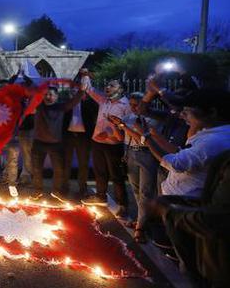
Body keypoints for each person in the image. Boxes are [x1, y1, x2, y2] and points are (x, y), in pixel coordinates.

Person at [154, 151, 230, 287]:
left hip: (221, 263)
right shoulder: (224, 155)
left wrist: (170, 212)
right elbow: (212, 203)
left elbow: (216, 219)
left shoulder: (214, 144)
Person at [108, 92, 159, 243]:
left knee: (146, 191)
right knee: (136, 190)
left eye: (136, 104)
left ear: (145, 104)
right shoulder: (129, 118)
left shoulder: (153, 120)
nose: (133, 108)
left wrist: (123, 126)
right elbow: (121, 137)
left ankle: (141, 228)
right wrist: (116, 125)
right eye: (131, 105)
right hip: (130, 153)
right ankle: (141, 220)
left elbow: (142, 140)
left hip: (146, 154)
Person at [81, 78, 131, 215]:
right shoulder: (104, 101)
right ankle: (101, 196)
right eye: (107, 84)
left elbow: (127, 126)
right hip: (97, 142)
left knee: (117, 175)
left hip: (114, 145)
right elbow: (89, 89)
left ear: (120, 89)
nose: (107, 87)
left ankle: (122, 204)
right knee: (100, 172)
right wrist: (86, 76)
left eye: (112, 85)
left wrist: (109, 132)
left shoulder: (126, 105)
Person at [31, 85, 84, 194]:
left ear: (56, 97)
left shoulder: (61, 107)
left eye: (51, 94)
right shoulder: (38, 106)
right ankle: (37, 191)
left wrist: (82, 89)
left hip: (56, 145)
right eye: (46, 94)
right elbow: (30, 93)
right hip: (38, 143)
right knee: (36, 169)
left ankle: (56, 192)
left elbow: (75, 100)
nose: (48, 96)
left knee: (59, 170)